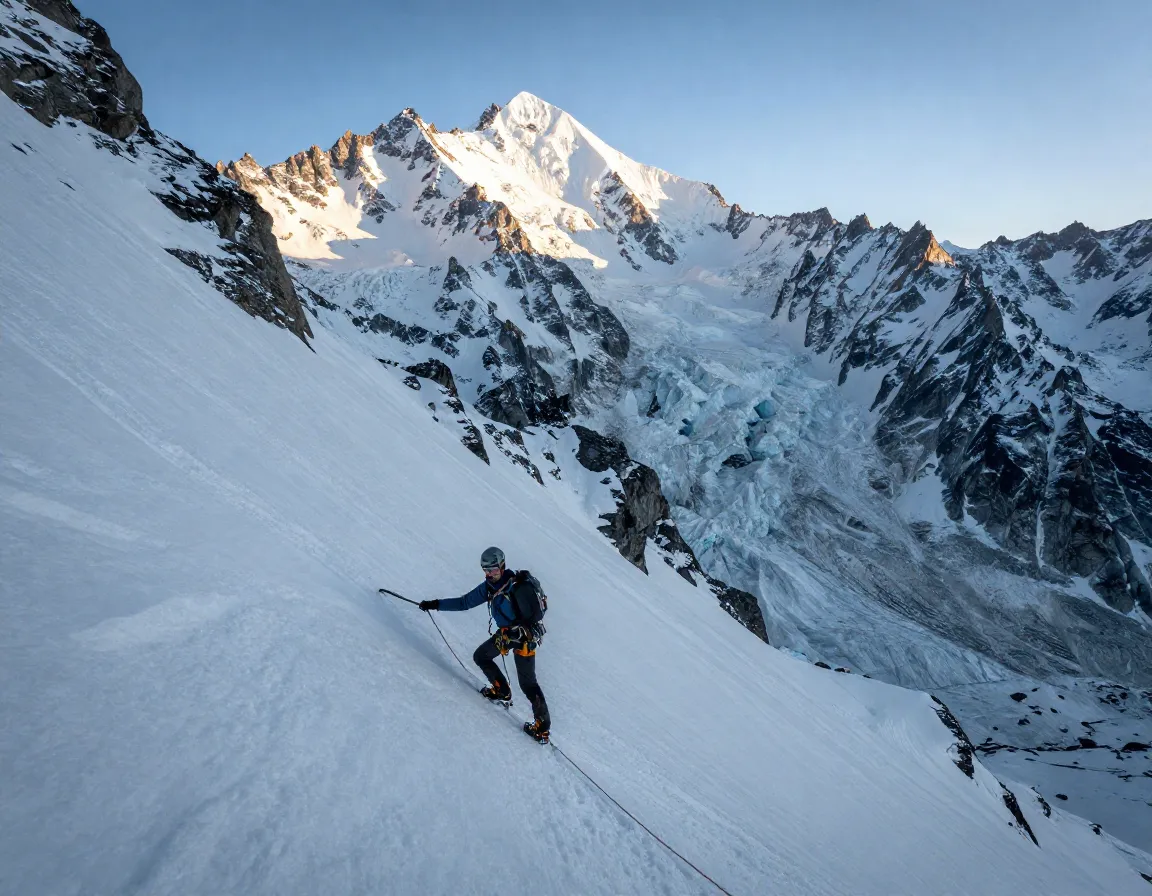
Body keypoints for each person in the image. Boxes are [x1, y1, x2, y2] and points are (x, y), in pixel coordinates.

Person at [420, 546, 551, 743]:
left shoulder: (515, 587)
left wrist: (516, 635)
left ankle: (542, 728)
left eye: (493, 570)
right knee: (481, 656)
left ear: (502, 566)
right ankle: (502, 691)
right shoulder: (489, 588)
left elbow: (530, 620)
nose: (490, 574)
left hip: (524, 639)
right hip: (506, 636)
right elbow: (465, 602)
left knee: (527, 683)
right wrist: (435, 604)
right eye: (486, 570)